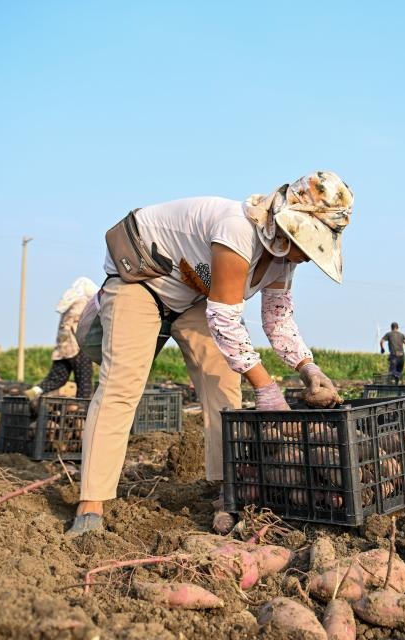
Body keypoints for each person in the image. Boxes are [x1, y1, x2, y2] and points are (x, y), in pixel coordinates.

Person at [67, 171, 354, 538]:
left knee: (223, 385)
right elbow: (225, 319)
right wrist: (266, 388)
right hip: (143, 283)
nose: (310, 257)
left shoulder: (284, 259)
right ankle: (91, 503)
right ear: (290, 224)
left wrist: (306, 367)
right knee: (122, 385)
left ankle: (228, 491)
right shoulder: (239, 230)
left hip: (193, 295)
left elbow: (277, 317)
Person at [27, 278, 98, 400]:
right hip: (77, 347)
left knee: (57, 378)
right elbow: (80, 323)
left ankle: (33, 392)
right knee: (84, 383)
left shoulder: (68, 303)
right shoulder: (81, 303)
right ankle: (81, 410)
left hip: (63, 349)